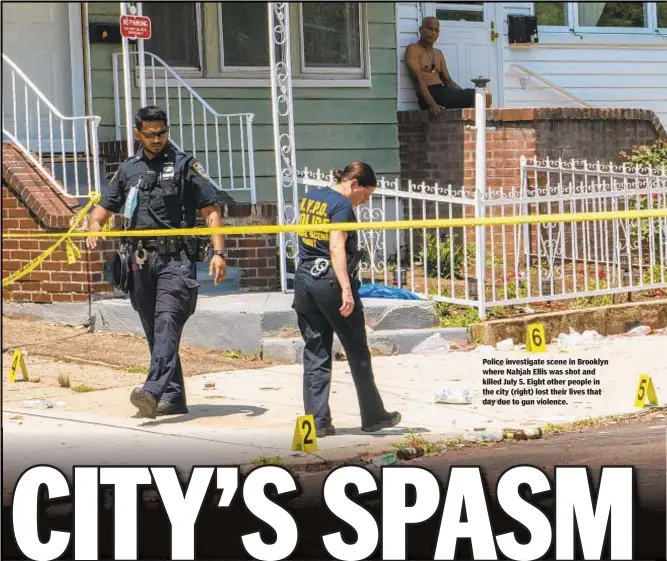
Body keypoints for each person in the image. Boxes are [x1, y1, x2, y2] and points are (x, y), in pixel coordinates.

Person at [86, 105, 227, 419]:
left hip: (175, 260)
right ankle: (173, 397)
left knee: (167, 322)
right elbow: (104, 207)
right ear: (138, 134)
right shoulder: (128, 170)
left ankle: (151, 391)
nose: (157, 139)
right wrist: (95, 225)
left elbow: (211, 211)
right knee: (154, 328)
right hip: (139, 261)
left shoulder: (184, 166)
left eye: (162, 133)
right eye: (150, 134)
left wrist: (219, 253)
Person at [292, 161, 401, 437]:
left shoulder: (311, 197)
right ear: (354, 184)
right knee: (357, 350)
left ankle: (317, 422)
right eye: (366, 194)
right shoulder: (342, 206)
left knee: (315, 350)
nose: (366, 201)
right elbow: (337, 246)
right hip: (330, 281)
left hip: (305, 281)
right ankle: (374, 416)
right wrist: (347, 289)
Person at [405, 16, 492, 118]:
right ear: (421, 30)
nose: (433, 33)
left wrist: (462, 92)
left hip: (443, 92)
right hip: (428, 94)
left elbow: (448, 81)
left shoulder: (438, 53)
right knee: (476, 96)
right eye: (430, 29)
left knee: (480, 95)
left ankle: (476, 122)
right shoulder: (413, 49)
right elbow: (419, 80)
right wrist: (432, 104)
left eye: (436, 30)